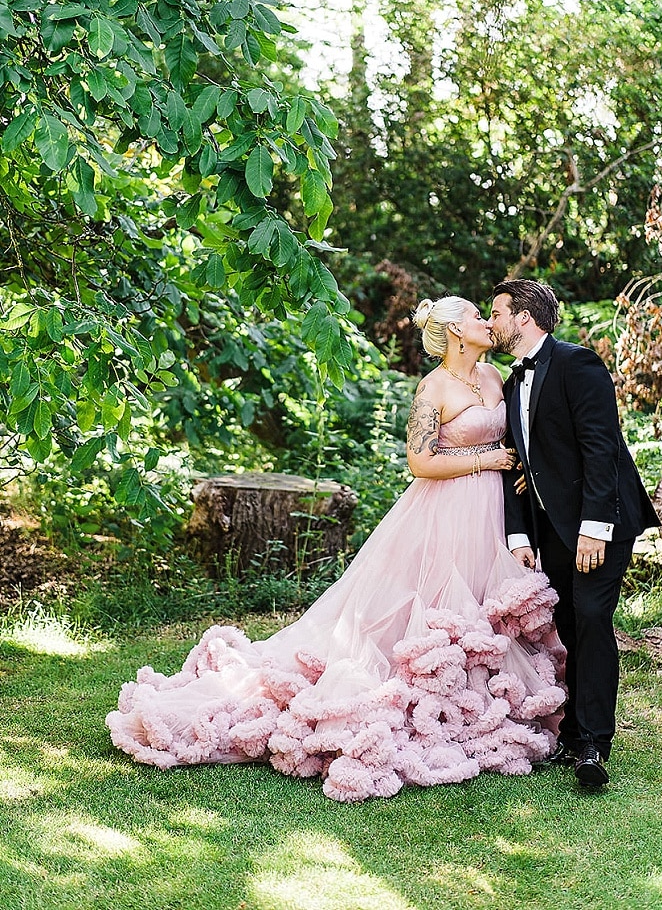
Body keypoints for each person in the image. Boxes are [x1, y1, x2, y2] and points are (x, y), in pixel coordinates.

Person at [107, 296, 566, 802]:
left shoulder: (496, 378)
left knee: (484, 603)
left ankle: (481, 692)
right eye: (477, 316)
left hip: (493, 511)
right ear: (457, 332)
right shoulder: (431, 388)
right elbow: (420, 462)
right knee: (431, 604)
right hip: (445, 508)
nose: (485, 322)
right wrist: (485, 461)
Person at [489, 279, 659, 789]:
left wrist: (595, 529)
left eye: (497, 312)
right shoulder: (512, 380)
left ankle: (593, 746)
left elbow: (600, 449)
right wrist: (519, 536)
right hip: (552, 529)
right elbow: (518, 466)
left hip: (598, 522)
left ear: (524, 317)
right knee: (569, 622)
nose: (492, 320)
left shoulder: (577, 364)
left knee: (590, 617)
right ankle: (574, 734)